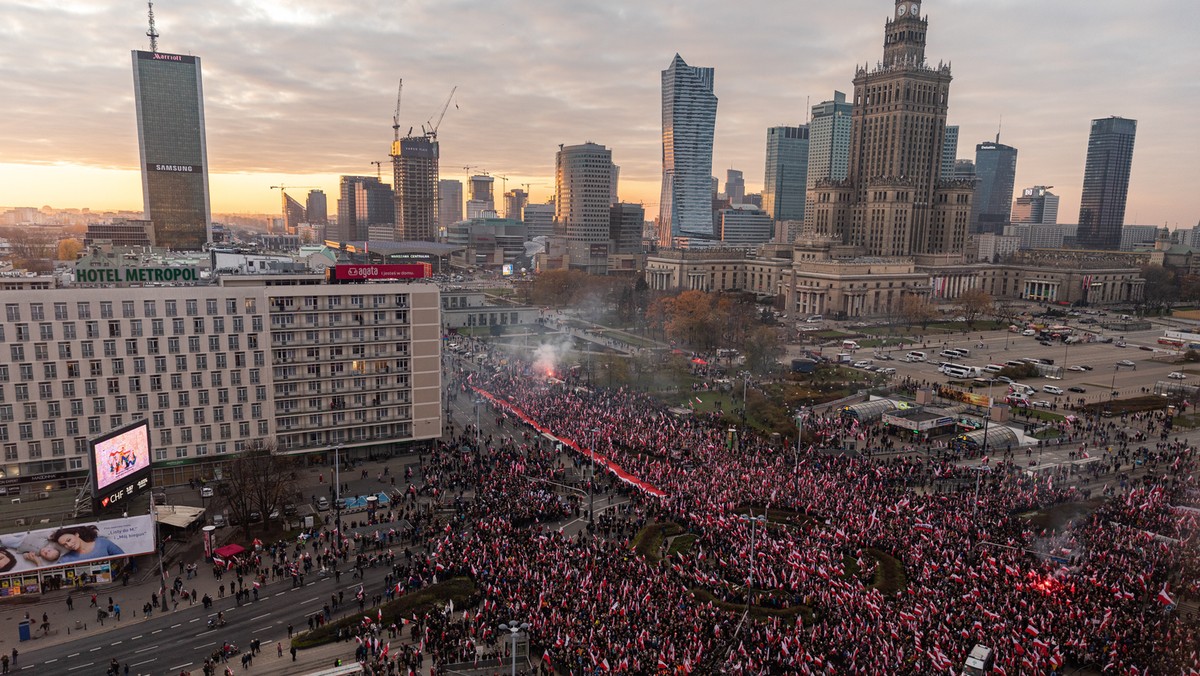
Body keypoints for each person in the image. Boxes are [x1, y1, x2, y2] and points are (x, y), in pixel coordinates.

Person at [48, 525, 124, 563]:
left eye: (69, 540)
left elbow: (124, 557)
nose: (69, 545)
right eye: (64, 545)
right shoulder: (66, 559)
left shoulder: (102, 543)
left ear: (76, 534)